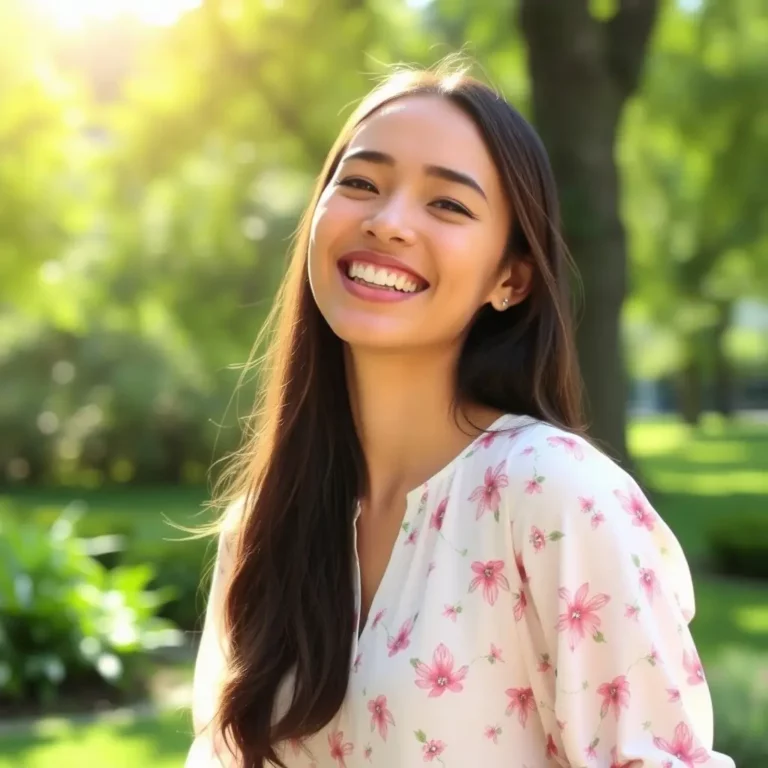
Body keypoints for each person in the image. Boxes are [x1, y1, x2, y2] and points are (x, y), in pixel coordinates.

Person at [185, 62, 734, 768]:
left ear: (510, 279)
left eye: (447, 205)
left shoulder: (552, 495)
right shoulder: (266, 522)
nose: (387, 223)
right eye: (360, 184)